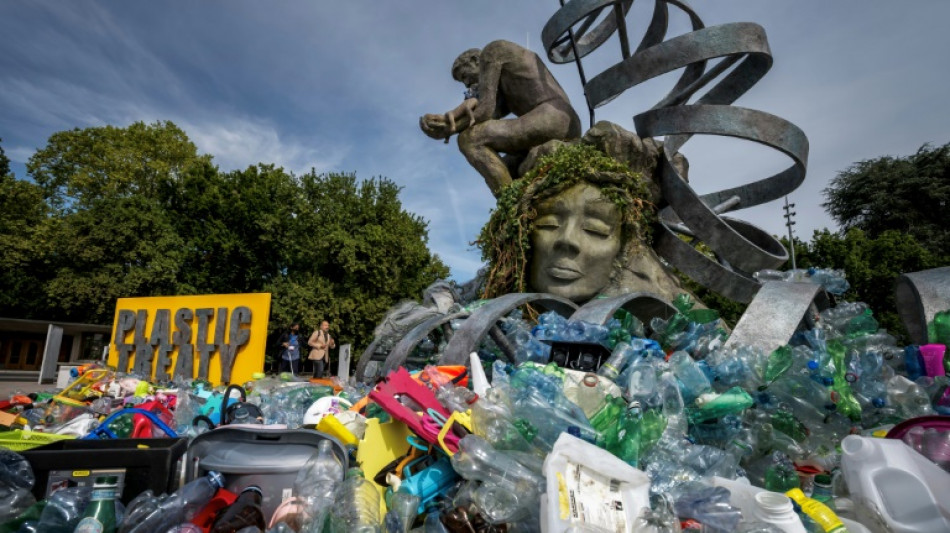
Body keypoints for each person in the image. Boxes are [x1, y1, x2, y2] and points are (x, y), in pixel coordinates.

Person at [420, 40, 582, 197]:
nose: (467, 84)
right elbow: (490, 115)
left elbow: (484, 111)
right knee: (508, 168)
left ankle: (511, 204)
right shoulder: (506, 84)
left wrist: (449, 128)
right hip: (565, 122)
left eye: (464, 76)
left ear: (475, 60)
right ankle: (521, 199)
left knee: (469, 139)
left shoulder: (492, 51)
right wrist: (454, 117)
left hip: (553, 116)